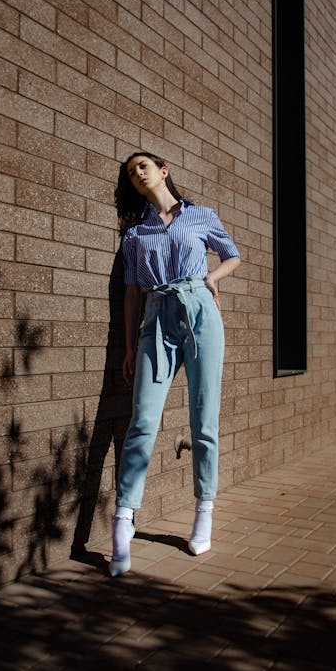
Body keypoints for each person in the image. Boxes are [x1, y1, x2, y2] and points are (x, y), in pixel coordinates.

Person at [110, 151, 240, 577]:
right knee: (142, 420)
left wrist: (211, 280)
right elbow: (132, 294)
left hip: (201, 311)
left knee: (205, 420)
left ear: (163, 171)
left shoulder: (201, 215)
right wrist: (131, 347)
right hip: (156, 316)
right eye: (131, 173)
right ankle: (124, 521)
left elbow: (232, 255)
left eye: (142, 166)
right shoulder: (134, 234)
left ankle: (204, 512)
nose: (137, 173)